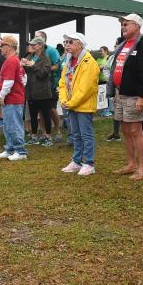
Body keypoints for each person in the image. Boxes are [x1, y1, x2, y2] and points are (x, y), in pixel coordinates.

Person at [107, 14, 143, 181]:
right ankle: (131, 164)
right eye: (122, 24)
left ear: (136, 26)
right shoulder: (123, 45)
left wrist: (142, 96)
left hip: (135, 95)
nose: (123, 27)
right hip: (121, 93)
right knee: (125, 130)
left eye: (126, 24)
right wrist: (114, 91)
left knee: (136, 131)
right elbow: (117, 69)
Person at [59, 32, 99, 176]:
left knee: (86, 135)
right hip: (71, 104)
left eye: (70, 42)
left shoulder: (89, 62)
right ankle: (76, 161)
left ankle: (89, 163)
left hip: (83, 105)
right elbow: (62, 82)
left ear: (80, 44)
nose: (67, 45)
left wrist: (71, 103)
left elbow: (86, 87)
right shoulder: (68, 61)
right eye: (66, 42)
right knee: (75, 134)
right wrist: (64, 100)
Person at [0, 36, 28, 161]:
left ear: (9, 46)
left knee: (14, 125)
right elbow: (24, 78)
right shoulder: (14, 60)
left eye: (2, 45)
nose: (0, 48)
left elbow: (9, 81)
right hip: (13, 98)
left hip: (12, 99)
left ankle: (20, 151)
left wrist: (2, 95)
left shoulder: (11, 61)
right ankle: (10, 149)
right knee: (8, 125)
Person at [23, 37, 54, 146]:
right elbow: (25, 73)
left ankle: (48, 137)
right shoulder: (29, 56)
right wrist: (23, 65)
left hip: (43, 93)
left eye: (34, 44)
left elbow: (43, 74)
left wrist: (33, 65)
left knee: (45, 116)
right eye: (30, 44)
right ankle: (34, 136)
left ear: (40, 45)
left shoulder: (46, 58)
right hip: (31, 92)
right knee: (32, 116)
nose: (31, 46)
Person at [36, 31, 64, 140]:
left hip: (51, 84)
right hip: (38, 86)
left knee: (51, 109)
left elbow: (57, 66)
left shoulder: (52, 51)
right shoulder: (34, 52)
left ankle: (58, 131)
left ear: (43, 40)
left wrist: (43, 69)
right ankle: (44, 133)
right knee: (41, 110)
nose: (34, 39)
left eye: (37, 37)